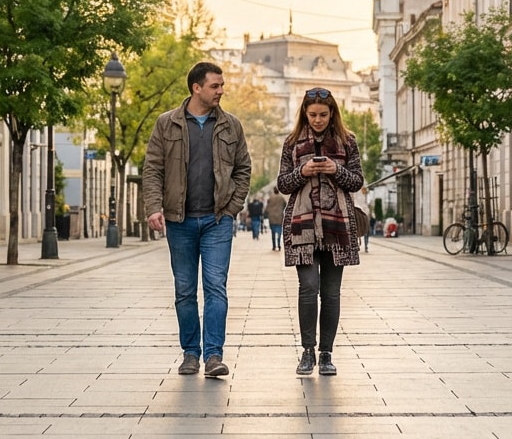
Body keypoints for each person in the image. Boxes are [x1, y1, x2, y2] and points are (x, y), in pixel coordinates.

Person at [144, 62, 252, 379]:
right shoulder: (167, 124)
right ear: (197, 88)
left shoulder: (232, 125)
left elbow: (243, 169)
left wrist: (232, 207)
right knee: (185, 290)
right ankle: (190, 354)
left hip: (218, 220)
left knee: (216, 287)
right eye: (215, 86)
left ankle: (213, 356)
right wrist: (153, 207)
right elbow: (152, 169)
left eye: (222, 85)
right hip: (180, 221)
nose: (221, 90)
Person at [276, 86, 364, 377]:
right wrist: (301, 172)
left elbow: (356, 181)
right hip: (302, 225)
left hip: (337, 224)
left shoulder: (347, 141)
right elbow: (282, 184)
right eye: (312, 115)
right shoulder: (292, 143)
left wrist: (334, 169)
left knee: (331, 293)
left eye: (323, 115)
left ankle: (326, 354)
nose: (317, 120)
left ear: (332, 113)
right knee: (308, 287)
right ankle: (307, 352)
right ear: (304, 113)